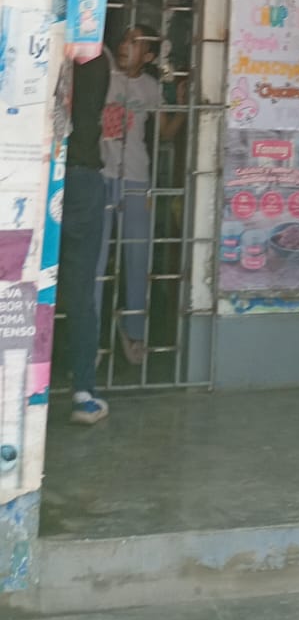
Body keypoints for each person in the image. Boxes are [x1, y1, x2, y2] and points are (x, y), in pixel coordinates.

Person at [96, 24, 185, 367]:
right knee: (95, 261)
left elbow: (165, 134)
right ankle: (92, 340)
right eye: (124, 38)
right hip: (101, 175)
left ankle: (133, 330)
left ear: (147, 56)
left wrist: (184, 105)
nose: (125, 45)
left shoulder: (150, 87)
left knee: (137, 258)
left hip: (136, 178)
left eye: (135, 42)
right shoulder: (105, 70)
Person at [58, 50, 111, 425]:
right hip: (80, 174)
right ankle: (83, 393)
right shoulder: (95, 57)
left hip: (27, 170)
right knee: (79, 287)